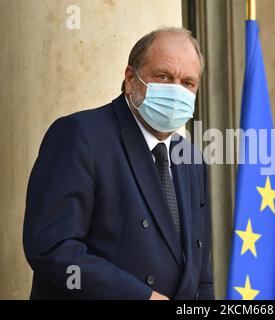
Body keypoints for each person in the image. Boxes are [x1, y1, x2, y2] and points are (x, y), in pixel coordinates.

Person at [23, 27, 214, 300]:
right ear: (130, 79)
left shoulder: (192, 159)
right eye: (163, 76)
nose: (176, 91)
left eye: (187, 83)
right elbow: (51, 248)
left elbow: (201, 274)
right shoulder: (80, 135)